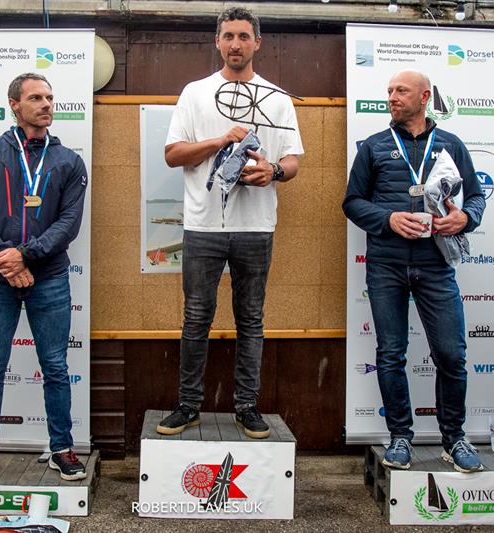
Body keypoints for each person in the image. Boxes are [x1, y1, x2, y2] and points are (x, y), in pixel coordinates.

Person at [157, 6, 303, 439]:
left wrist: (272, 171)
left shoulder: (277, 97)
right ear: (217, 42)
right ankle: (188, 406)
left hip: (256, 227)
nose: (236, 44)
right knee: (196, 318)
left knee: (251, 319)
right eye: (228, 36)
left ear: (258, 42)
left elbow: (294, 160)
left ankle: (246, 407)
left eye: (243, 36)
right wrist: (220, 140)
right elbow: (172, 154)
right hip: (202, 227)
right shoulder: (194, 93)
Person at [342, 70, 486, 472]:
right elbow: (352, 202)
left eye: (400, 91)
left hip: (436, 265)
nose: (392, 97)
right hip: (386, 266)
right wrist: (388, 219)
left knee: (451, 355)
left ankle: (454, 439)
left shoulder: (452, 145)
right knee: (390, 354)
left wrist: (465, 218)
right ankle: (400, 437)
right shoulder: (373, 147)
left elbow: (475, 197)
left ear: (424, 97)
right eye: (388, 91)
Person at [0, 72, 88, 483]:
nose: (47, 104)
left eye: (50, 97)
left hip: (48, 277)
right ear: (15, 104)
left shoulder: (68, 160)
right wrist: (6, 259)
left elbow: (68, 223)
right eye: (36, 97)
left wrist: (26, 255)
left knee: (54, 364)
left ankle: (62, 447)